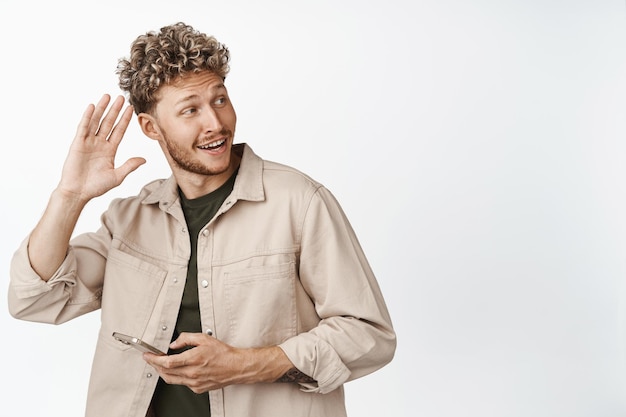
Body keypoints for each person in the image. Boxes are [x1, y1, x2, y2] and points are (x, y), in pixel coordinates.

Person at [8, 22, 396, 417]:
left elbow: (369, 334)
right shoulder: (127, 221)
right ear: (150, 127)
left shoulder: (299, 202)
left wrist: (246, 364)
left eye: (220, 100)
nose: (215, 123)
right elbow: (34, 299)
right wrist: (70, 197)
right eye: (191, 109)